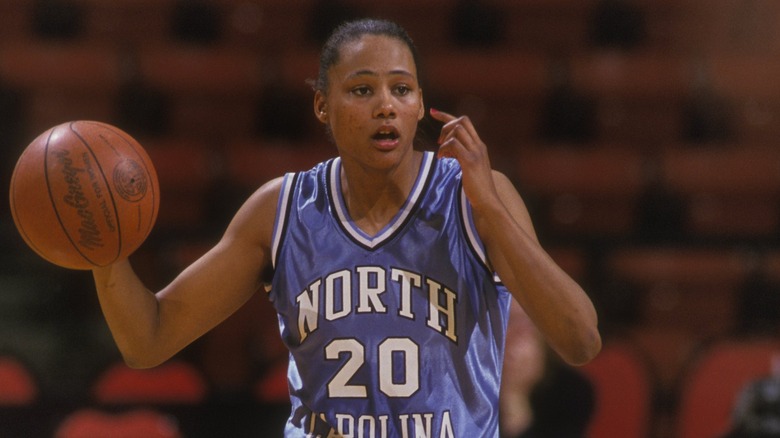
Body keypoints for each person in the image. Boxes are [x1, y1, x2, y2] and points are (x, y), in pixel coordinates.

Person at [91, 18, 601, 437]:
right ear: (322, 106)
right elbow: (148, 340)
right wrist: (102, 252)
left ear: (420, 104)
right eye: (362, 89)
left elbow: (581, 340)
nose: (385, 104)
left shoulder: (475, 197)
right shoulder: (282, 209)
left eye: (401, 89)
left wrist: (490, 209)